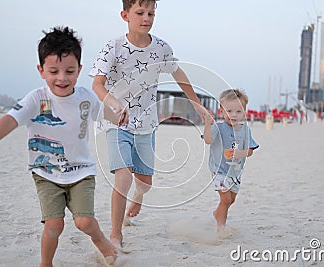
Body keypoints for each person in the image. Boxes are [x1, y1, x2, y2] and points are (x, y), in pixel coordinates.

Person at [0, 26, 120, 267]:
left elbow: (106, 115)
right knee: (54, 225)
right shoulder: (35, 99)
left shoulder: (85, 96)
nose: (62, 78)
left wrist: (122, 118)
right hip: (46, 174)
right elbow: (10, 120)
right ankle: (45, 263)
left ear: (79, 70)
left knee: (83, 222)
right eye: (54, 71)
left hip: (81, 171)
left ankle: (101, 239)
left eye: (69, 71)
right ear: (41, 71)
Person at [89, 0, 210, 251]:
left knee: (144, 182)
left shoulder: (162, 48)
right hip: (117, 123)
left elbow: (179, 75)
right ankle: (115, 235)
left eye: (151, 13)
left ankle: (139, 196)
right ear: (125, 15)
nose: (146, 18)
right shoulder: (113, 47)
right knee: (122, 178)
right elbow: (97, 84)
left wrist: (197, 104)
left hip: (146, 124)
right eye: (140, 13)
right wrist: (113, 103)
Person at [203, 89, 259, 231]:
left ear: (244, 112)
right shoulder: (218, 128)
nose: (233, 115)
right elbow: (208, 140)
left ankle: (217, 214)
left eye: (238, 111)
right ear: (221, 111)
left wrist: (240, 153)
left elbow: (250, 151)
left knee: (231, 200)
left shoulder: (245, 130)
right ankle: (221, 228)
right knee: (225, 199)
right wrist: (207, 125)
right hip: (219, 170)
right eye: (229, 111)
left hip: (235, 172)